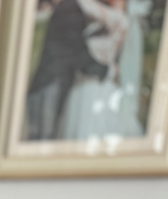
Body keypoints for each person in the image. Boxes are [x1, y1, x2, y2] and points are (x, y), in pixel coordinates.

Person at [59, 0, 149, 140]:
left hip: (96, 90)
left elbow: (85, 6)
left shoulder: (120, 21)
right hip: (78, 90)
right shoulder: (95, 26)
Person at [25, 0, 110, 140]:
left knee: (38, 135)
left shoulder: (63, 7)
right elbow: (77, 52)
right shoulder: (71, 8)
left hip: (42, 82)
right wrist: (105, 71)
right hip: (51, 82)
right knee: (44, 137)